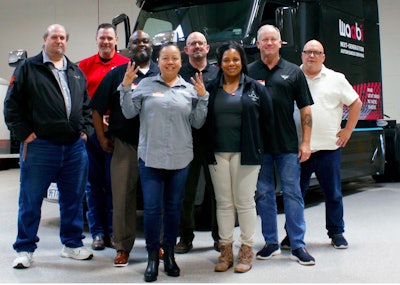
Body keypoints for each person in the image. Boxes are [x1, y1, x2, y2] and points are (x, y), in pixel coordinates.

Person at [4, 24, 93, 269]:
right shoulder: (28, 68)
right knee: (31, 200)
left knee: (73, 200)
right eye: (54, 37)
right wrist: (24, 133)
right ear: (44, 40)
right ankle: (24, 248)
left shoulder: (75, 71)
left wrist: (85, 131)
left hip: (74, 147)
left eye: (63, 37)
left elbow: (86, 106)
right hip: (40, 147)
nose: (59, 41)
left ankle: (73, 244)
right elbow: (12, 106)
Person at [119, 43, 208, 282]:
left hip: (180, 159)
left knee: (172, 209)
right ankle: (151, 257)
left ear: (181, 62)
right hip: (151, 158)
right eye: (165, 58)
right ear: (158, 61)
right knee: (151, 209)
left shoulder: (189, 89)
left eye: (175, 58)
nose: (170, 62)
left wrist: (203, 98)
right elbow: (129, 113)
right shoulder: (146, 85)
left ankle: (169, 255)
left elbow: (198, 123)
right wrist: (126, 87)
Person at [279, 39, 362, 250]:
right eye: (308, 52)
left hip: (328, 148)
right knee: (295, 195)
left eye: (317, 52)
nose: (312, 56)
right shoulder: (290, 77)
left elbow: (356, 102)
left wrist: (348, 130)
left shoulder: (336, 79)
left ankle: (336, 233)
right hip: (298, 149)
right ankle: (292, 235)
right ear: (302, 55)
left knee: (333, 193)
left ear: (323, 57)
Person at [247, 24, 316, 266]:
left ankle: (298, 244)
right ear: (257, 44)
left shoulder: (293, 72)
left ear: (280, 43)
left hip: (287, 146)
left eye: (272, 39)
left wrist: (306, 142)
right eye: (263, 39)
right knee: (264, 195)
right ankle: (271, 243)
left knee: (293, 193)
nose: (268, 43)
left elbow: (306, 109)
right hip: (259, 147)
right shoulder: (248, 72)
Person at [90, 30, 159, 266]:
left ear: (152, 46)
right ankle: (122, 247)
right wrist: (101, 138)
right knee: (122, 199)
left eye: (145, 41)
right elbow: (97, 109)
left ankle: (157, 244)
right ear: (128, 47)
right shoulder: (117, 75)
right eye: (136, 42)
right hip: (125, 146)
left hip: (156, 147)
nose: (141, 45)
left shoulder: (163, 73)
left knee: (155, 199)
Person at [205, 41, 274, 273]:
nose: (231, 64)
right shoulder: (210, 88)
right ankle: (225, 251)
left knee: (244, 202)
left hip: (247, 153)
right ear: (220, 63)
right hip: (217, 153)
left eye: (235, 59)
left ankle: (246, 249)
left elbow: (267, 122)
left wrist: (259, 147)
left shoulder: (256, 88)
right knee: (224, 203)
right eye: (226, 60)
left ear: (242, 61)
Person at [78, 23, 130, 250]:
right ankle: (98, 232)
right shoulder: (83, 66)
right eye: (102, 38)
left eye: (110, 38)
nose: (106, 42)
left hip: (117, 135)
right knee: (93, 185)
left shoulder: (127, 66)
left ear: (117, 40)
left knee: (114, 186)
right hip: (91, 134)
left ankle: (113, 231)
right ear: (96, 40)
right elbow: (78, 101)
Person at [175, 31, 220, 254]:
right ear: (186, 50)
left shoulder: (218, 73)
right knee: (186, 193)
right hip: (186, 140)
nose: (197, 47)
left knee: (216, 192)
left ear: (207, 48)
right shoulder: (179, 74)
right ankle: (185, 237)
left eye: (201, 43)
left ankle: (219, 237)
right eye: (192, 44)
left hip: (213, 141)